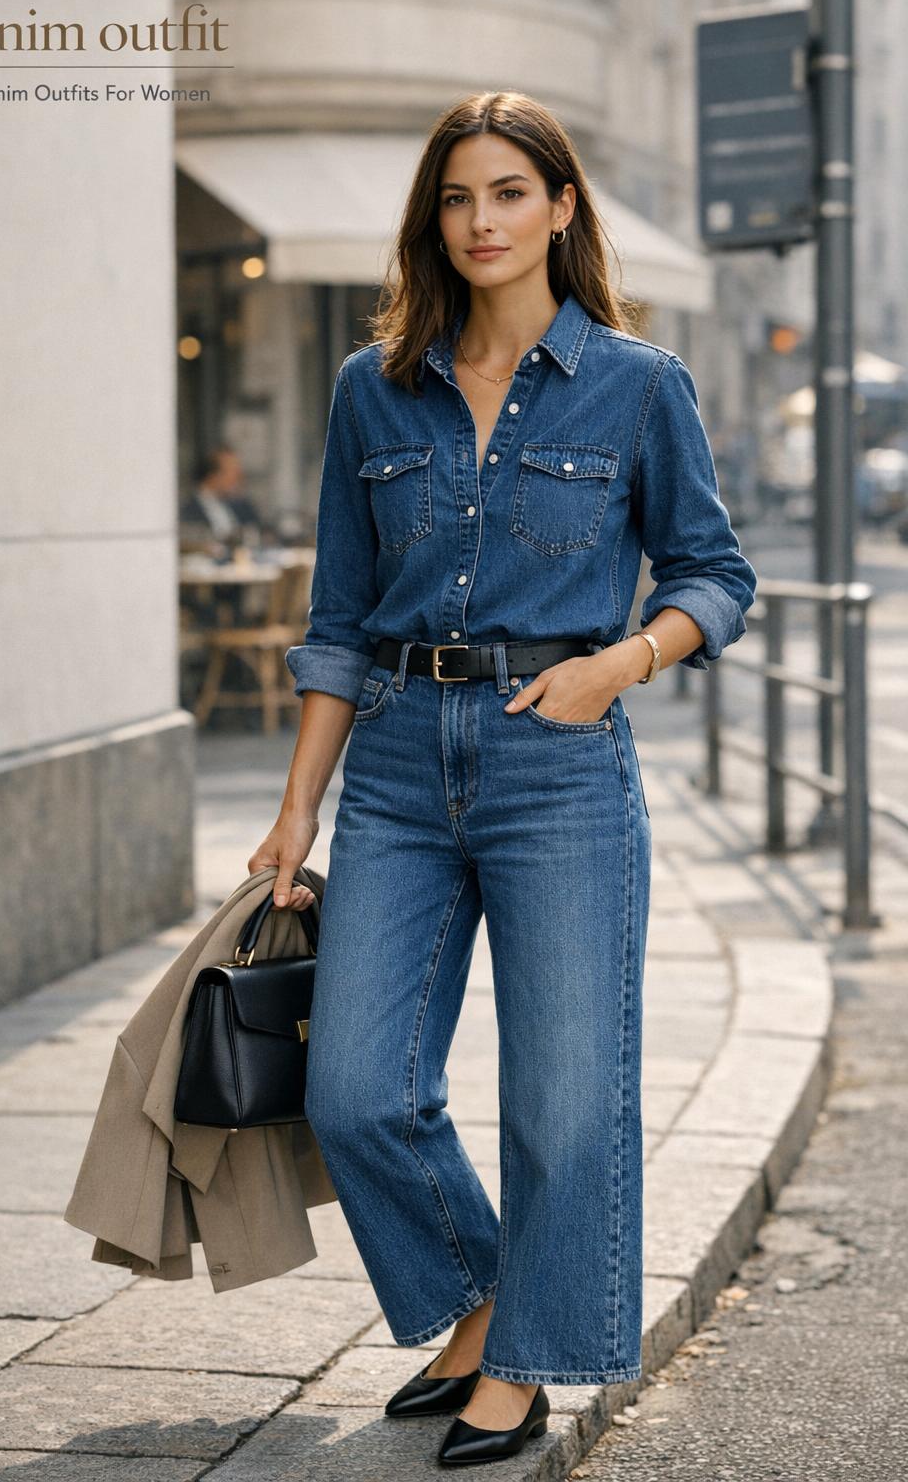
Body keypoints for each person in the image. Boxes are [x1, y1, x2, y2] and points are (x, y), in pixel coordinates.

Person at [249, 91, 757, 1467]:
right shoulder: (375, 389)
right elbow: (341, 619)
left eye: (508, 194)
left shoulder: (638, 385)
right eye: (458, 199)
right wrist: (297, 808)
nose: (481, 222)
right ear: (435, 220)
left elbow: (719, 576)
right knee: (354, 1088)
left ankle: (523, 1360)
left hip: (561, 764)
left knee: (565, 1099)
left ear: (561, 207)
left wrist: (622, 662)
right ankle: (483, 1296)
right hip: (403, 766)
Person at [179, 445, 264, 548]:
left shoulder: (240, 505)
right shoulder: (187, 511)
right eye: (232, 472)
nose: (238, 478)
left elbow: (259, 533)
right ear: (213, 476)